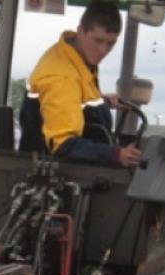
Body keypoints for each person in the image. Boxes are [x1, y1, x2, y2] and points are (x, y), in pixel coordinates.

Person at [19, 1, 141, 167]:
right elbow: (63, 145)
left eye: (110, 43)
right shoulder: (61, 77)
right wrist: (117, 154)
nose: (103, 50)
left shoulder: (76, 57)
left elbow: (71, 101)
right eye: (98, 41)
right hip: (54, 176)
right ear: (80, 31)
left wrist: (103, 102)